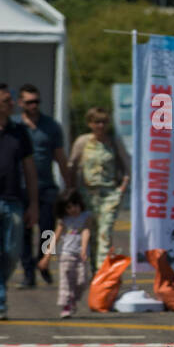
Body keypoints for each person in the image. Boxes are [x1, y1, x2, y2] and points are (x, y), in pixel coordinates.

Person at [16, 84, 71, 287]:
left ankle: (44, 261)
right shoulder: (16, 127)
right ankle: (28, 272)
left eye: (37, 101)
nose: (34, 105)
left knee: (47, 229)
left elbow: (60, 157)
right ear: (21, 103)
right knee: (23, 232)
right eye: (29, 102)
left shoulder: (51, 126)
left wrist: (69, 184)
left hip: (46, 185)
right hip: (20, 187)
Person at [68, 107, 129, 270]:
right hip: (87, 194)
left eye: (104, 122)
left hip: (109, 194)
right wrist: (72, 190)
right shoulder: (83, 142)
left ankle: (103, 272)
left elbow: (127, 167)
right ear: (90, 123)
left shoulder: (114, 142)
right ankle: (95, 272)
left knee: (105, 233)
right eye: (97, 122)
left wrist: (121, 189)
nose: (101, 126)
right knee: (91, 233)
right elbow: (72, 166)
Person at [0, 84, 39, 319]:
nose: (11, 104)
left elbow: (30, 169)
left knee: (11, 252)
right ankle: (1, 300)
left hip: (13, 199)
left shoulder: (19, 132)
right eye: (6, 100)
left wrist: (33, 204)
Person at [38, 191, 91, 318]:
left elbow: (86, 231)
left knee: (82, 281)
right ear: (64, 208)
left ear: (80, 204)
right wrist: (46, 257)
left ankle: (72, 299)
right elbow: (55, 237)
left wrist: (84, 249)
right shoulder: (64, 220)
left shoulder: (86, 216)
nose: (73, 210)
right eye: (68, 207)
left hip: (80, 255)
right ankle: (66, 305)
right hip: (66, 254)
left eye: (75, 205)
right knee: (65, 282)